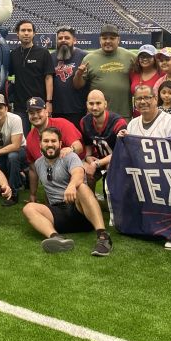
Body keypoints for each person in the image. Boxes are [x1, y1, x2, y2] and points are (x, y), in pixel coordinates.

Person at [22, 127, 111, 256]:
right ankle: (56, 238)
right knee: (28, 208)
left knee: (81, 187)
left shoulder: (69, 156)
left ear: (60, 143)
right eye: (46, 141)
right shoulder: (38, 164)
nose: (50, 144)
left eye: (53, 141)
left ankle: (103, 237)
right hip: (58, 214)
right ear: (40, 144)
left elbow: (79, 174)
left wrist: (71, 186)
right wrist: (33, 195)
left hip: (79, 210)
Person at [74, 24, 137, 119]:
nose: (108, 41)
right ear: (100, 40)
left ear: (118, 40)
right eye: (104, 38)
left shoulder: (130, 57)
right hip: (97, 115)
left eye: (112, 38)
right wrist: (79, 74)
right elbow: (78, 86)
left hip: (123, 114)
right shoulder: (89, 58)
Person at [8, 20, 54, 135]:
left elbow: (48, 78)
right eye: (23, 30)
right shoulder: (13, 54)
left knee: (46, 136)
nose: (26, 33)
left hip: (40, 104)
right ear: (17, 34)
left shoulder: (43, 53)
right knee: (23, 139)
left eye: (29, 30)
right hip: (21, 106)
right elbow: (8, 76)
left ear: (34, 33)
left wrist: (49, 102)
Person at [79, 89, 127, 189]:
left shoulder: (118, 122)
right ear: (86, 104)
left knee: (111, 169)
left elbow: (121, 151)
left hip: (118, 160)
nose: (94, 107)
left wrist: (96, 164)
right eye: (91, 103)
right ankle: (91, 200)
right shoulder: (84, 122)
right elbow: (88, 145)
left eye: (98, 103)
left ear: (105, 104)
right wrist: (88, 158)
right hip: (98, 158)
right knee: (82, 170)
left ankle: (114, 200)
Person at [23, 96, 83, 167]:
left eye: (39, 111)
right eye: (31, 113)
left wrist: (70, 149)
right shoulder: (30, 138)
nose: (35, 115)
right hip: (50, 171)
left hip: (75, 165)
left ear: (46, 112)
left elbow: (79, 147)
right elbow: (33, 168)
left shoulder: (62, 124)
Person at [50, 25, 88, 128]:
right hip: (56, 109)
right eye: (60, 38)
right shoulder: (50, 57)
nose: (63, 40)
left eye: (67, 38)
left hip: (78, 109)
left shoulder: (84, 56)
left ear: (74, 40)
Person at [128, 44, 163, 113]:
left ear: (154, 58)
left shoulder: (162, 74)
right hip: (137, 114)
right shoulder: (133, 73)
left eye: (149, 57)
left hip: (156, 114)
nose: (145, 59)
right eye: (142, 57)